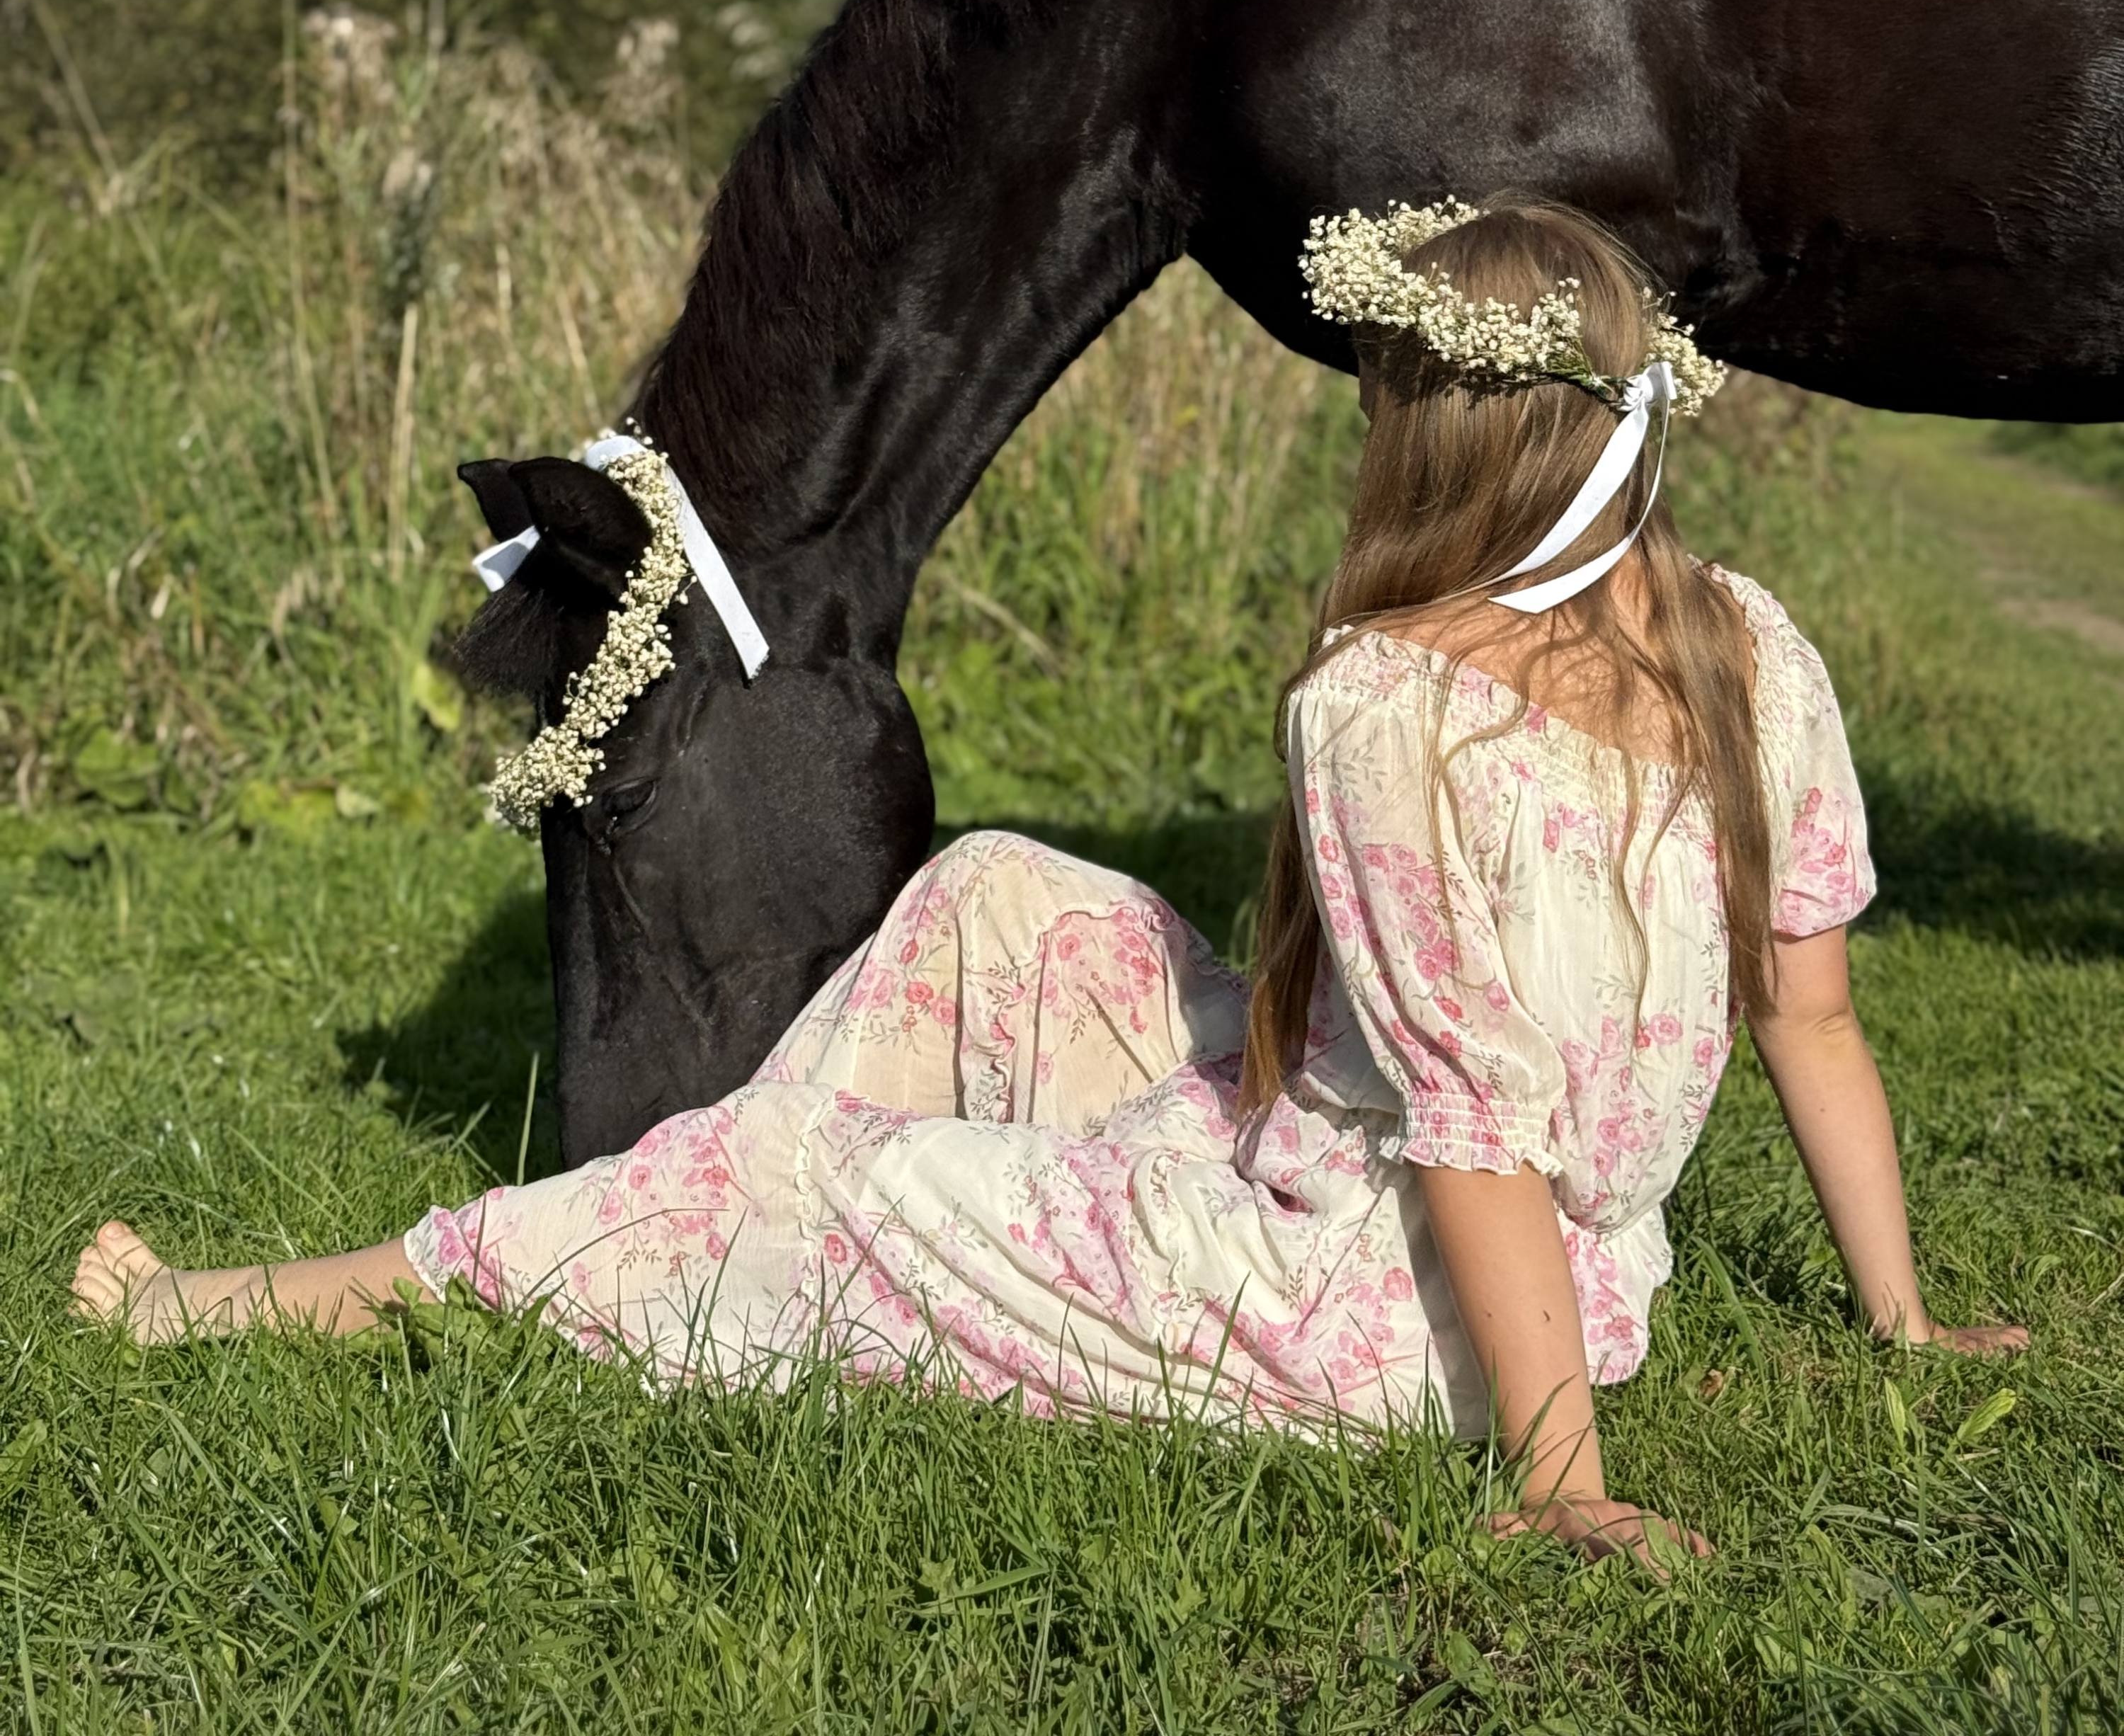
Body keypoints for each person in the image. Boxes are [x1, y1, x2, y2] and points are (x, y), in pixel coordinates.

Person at [73, 195, 2024, 1566]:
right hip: (1574, 1266)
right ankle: (727, 1249)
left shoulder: (1393, 709)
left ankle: (361, 1285)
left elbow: (1480, 1141)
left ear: (1442, 433)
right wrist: (1904, 1318)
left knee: (788, 1171)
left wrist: (1561, 1486)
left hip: (1379, 1304)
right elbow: (1814, 1012)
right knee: (1002, 889)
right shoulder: (1749, 641)